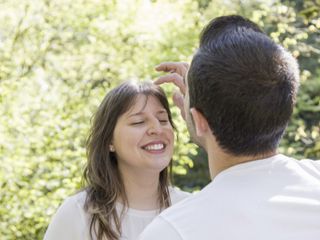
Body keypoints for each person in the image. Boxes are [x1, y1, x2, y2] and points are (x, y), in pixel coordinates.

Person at [139, 15, 320, 240]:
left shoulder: (173, 231)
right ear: (287, 105)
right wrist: (206, 102)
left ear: (198, 119)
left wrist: (207, 107)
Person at [43, 81, 190, 240]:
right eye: (138, 122)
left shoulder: (191, 210)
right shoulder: (78, 213)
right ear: (109, 141)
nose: (157, 129)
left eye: (163, 120)